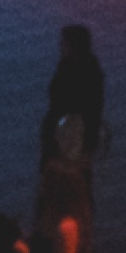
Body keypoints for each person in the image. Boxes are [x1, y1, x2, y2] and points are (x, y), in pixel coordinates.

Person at [38, 25, 106, 183]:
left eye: (63, 43)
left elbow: (59, 109)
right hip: (77, 141)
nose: (60, 46)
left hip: (66, 143)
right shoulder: (93, 73)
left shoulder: (69, 72)